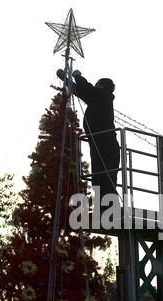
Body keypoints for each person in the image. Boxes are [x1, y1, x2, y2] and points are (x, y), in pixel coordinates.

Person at [57, 69, 120, 202]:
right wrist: (66, 80)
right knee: (99, 176)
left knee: (105, 176)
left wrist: (78, 76)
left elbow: (87, 90)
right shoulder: (98, 98)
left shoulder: (103, 96)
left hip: (105, 142)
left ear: (102, 86)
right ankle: (103, 205)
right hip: (100, 142)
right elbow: (82, 91)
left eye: (97, 84)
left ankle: (107, 206)